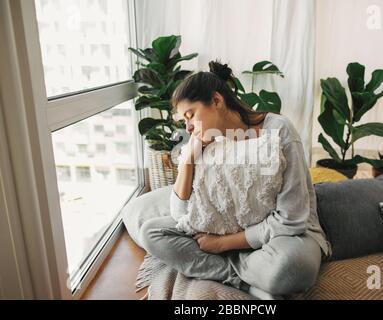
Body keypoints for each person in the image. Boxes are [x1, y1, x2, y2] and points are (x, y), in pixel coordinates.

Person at [139, 61, 331, 299]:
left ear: (217, 101)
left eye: (191, 116)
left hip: (282, 237)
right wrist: (188, 159)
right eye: (184, 122)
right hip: (220, 228)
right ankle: (245, 279)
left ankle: (231, 267)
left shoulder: (278, 130)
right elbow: (180, 215)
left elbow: (291, 221)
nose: (188, 127)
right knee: (152, 232)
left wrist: (222, 244)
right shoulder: (205, 142)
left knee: (293, 267)